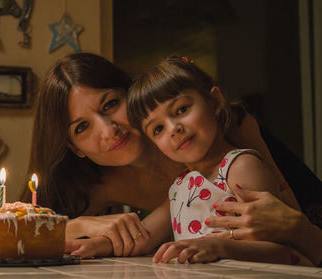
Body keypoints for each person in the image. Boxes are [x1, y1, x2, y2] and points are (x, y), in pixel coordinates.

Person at [20, 52, 320, 260]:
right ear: (74, 148)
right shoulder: (103, 183)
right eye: (83, 127)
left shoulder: (233, 145)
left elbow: (292, 230)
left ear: (134, 96)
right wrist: (83, 226)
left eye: (111, 104)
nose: (108, 130)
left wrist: (296, 229)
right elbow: (18, 233)